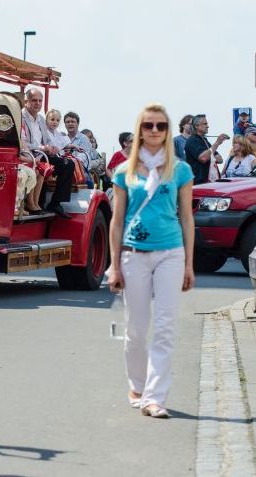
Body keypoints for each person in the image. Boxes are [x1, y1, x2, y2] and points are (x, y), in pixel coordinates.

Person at [107, 103, 195, 419]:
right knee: (136, 328)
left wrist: (189, 264)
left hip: (171, 252)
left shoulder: (181, 170)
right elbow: (117, 220)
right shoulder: (124, 171)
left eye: (161, 125)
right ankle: (138, 386)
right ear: (140, 131)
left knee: (165, 327)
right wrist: (114, 265)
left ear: (168, 131)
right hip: (134, 254)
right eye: (148, 125)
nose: (155, 131)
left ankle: (155, 397)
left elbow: (187, 218)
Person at [21, 88, 75, 218]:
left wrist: (52, 147)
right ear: (26, 101)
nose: (38, 103)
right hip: (28, 154)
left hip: (42, 155)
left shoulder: (40, 119)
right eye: (34, 100)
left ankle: (55, 203)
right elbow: (23, 143)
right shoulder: (21, 117)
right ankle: (34, 204)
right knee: (44, 167)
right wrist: (42, 147)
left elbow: (47, 140)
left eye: (40, 101)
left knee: (68, 164)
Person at [184, 114, 229, 184]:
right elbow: (203, 158)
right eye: (205, 124)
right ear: (196, 126)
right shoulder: (192, 141)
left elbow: (220, 159)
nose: (208, 126)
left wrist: (209, 155)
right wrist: (217, 143)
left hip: (211, 182)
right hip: (199, 183)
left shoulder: (205, 140)